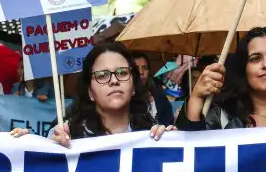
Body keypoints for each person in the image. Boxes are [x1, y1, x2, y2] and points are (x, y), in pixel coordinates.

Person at [33, 43, 173, 147]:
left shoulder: (152, 134)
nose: (114, 81)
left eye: (122, 73)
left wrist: (174, 141)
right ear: (90, 92)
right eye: (102, 75)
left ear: (134, 87)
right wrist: (26, 144)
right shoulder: (67, 134)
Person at [133, 52, 175, 126]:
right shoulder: (127, 98)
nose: (141, 72)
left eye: (145, 68)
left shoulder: (158, 92)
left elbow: (169, 119)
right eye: (136, 68)